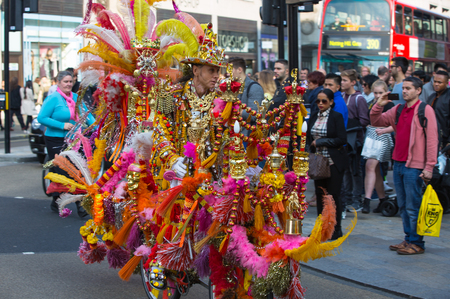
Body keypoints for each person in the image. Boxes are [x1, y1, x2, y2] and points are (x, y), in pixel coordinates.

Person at [370, 77, 438, 255]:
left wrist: (429, 167)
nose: (405, 91)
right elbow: (376, 121)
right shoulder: (398, 109)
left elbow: (432, 141)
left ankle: (417, 242)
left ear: (418, 90)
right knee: (403, 205)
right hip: (399, 163)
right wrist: (379, 104)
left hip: (414, 166)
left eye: (409, 88)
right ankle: (408, 239)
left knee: (412, 205)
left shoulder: (425, 110)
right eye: (404, 88)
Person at [38, 71, 95, 217]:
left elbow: (87, 116)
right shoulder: (53, 99)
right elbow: (42, 118)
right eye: (65, 82)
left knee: (76, 170)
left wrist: (98, 128)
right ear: (58, 82)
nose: (68, 84)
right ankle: (79, 205)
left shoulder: (76, 98)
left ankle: (56, 200)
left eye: (70, 81)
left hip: (74, 140)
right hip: (55, 140)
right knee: (64, 171)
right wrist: (62, 125)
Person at [307, 89, 348, 240]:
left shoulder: (336, 117)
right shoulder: (313, 117)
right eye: (318, 101)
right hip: (318, 161)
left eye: (324, 101)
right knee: (320, 195)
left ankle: (335, 229)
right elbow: (308, 139)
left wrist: (320, 142)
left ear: (331, 102)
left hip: (333, 161)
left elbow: (342, 139)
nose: (320, 104)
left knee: (332, 195)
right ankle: (320, 228)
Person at [362, 80, 394, 214]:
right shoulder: (373, 103)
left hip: (382, 137)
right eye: (375, 92)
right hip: (372, 137)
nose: (378, 95)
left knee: (370, 166)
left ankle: (367, 201)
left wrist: (384, 130)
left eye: (381, 92)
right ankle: (381, 200)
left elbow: (396, 124)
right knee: (375, 171)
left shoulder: (389, 104)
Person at [341, 69, 369, 212]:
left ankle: (357, 199)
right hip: (344, 139)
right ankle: (348, 197)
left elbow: (364, 120)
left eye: (345, 80)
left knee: (355, 170)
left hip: (355, 140)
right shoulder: (341, 96)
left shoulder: (359, 98)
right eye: (341, 80)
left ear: (353, 82)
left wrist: (351, 125)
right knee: (346, 170)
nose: (342, 83)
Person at [229, 57, 264, 136]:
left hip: (247, 136)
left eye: (230, 70)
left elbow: (254, 114)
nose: (228, 73)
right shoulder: (232, 87)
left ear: (239, 70)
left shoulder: (254, 87)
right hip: (233, 134)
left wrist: (232, 111)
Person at [427, 70, 450, 149]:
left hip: (445, 138)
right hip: (432, 136)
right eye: (435, 81)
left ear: (446, 83)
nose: (436, 84)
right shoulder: (432, 96)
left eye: (439, 82)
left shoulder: (448, 97)